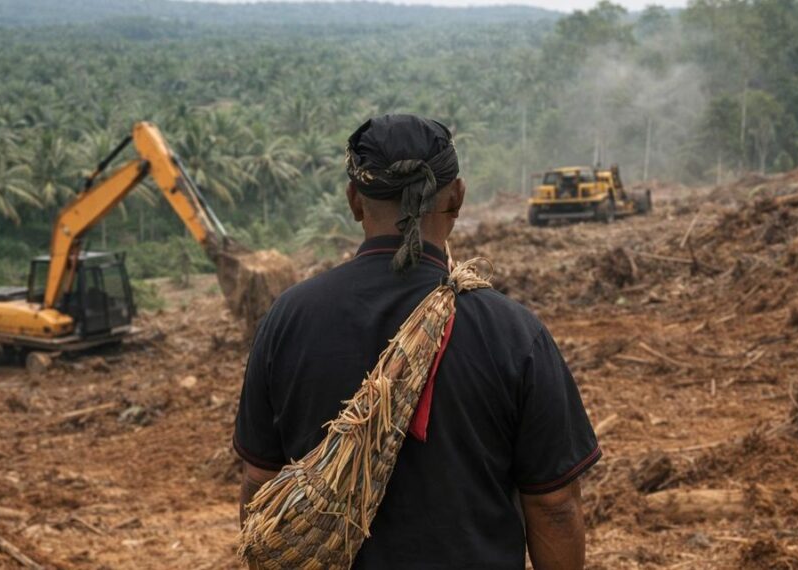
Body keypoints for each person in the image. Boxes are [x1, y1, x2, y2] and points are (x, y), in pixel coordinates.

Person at [234, 114, 600, 569]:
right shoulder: (514, 333)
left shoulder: (287, 319)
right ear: (457, 197)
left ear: (354, 201)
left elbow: (260, 484)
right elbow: (554, 506)